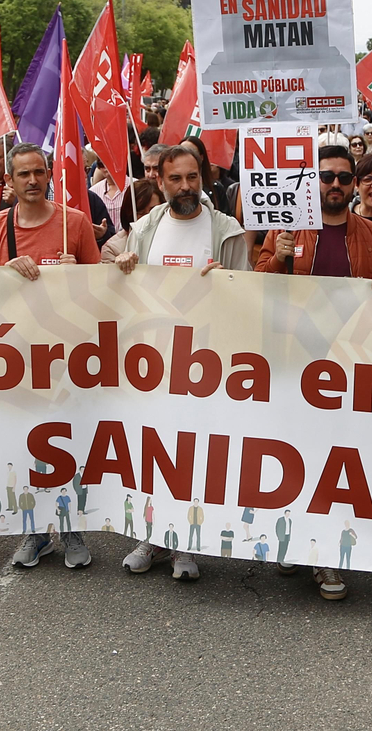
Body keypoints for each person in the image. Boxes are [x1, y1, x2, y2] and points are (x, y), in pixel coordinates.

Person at [256, 145, 372, 603]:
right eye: (326, 176)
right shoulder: (286, 228)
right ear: (313, 182)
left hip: (349, 368)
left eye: (343, 177)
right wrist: (277, 257)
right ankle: (295, 539)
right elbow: (256, 285)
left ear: (354, 184)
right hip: (295, 363)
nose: (334, 184)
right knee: (295, 457)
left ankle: (327, 556)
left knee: (337, 462)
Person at [109, 144, 252, 583]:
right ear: (160, 181)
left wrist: (225, 284)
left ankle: (186, 543)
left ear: (204, 177)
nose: (186, 186)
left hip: (206, 364)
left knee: (191, 455)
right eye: (176, 179)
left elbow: (247, 297)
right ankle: (152, 536)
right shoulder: (145, 229)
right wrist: (123, 267)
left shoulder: (227, 231)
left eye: (193, 177)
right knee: (153, 453)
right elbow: (120, 293)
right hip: (153, 363)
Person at [0, 144, 99, 570]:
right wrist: (7, 270)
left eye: (39, 172)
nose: (32, 180)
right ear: (8, 181)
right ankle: (35, 531)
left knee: (68, 442)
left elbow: (102, 293)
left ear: (49, 176)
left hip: (67, 354)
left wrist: (77, 273)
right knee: (25, 444)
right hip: (17, 356)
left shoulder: (76, 223)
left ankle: (71, 528)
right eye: (23, 174)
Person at [101, 180, 164, 257]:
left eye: (154, 210)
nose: (148, 217)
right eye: (141, 212)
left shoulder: (171, 237)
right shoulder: (112, 249)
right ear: (129, 212)